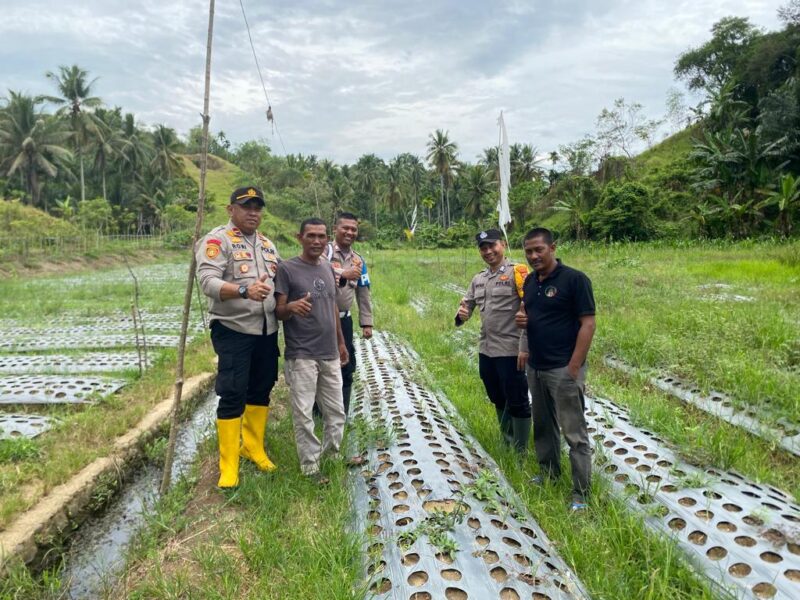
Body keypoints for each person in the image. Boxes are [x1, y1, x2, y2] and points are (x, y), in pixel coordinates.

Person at [196, 186, 281, 489]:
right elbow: (208, 282)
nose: (253, 212)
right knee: (232, 392)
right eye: (246, 207)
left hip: (267, 330)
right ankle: (228, 465)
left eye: (257, 207)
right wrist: (243, 290)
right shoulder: (218, 241)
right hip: (234, 329)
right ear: (231, 209)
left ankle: (253, 447)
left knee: (261, 388)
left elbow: (280, 283)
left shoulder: (269, 245)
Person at [515, 227, 596, 512]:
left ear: (552, 248)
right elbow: (527, 316)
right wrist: (524, 342)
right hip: (536, 367)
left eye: (539, 249)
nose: (534, 255)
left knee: (574, 433)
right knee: (544, 426)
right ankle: (549, 472)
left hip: (563, 368)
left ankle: (581, 494)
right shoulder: (530, 283)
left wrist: (574, 366)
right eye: (528, 251)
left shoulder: (575, 280)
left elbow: (588, 324)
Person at [274, 218, 349, 483]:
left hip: (328, 352)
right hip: (302, 354)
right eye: (311, 236)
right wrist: (291, 307)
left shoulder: (328, 268)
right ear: (300, 237)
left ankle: (333, 455)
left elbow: (332, 309)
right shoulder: (287, 269)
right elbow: (279, 311)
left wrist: (341, 342)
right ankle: (310, 466)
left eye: (322, 236)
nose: (317, 241)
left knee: (336, 410)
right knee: (304, 414)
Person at [455, 229, 531, 456]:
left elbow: (531, 307)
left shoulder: (518, 273)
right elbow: (466, 305)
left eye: (492, 246)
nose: (488, 251)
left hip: (511, 349)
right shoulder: (479, 279)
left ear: (502, 245)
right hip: (486, 350)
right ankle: (506, 439)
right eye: (483, 248)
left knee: (517, 398)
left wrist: (526, 345)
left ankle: (520, 451)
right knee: (496, 395)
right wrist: (462, 314)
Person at [324, 212, 373, 416]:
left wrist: (366, 323)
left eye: (354, 229)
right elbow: (311, 269)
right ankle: (320, 412)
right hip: (321, 319)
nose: (349, 232)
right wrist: (342, 273)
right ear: (335, 229)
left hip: (344, 320)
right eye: (345, 228)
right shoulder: (323, 252)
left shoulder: (358, 260)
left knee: (346, 364)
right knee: (321, 365)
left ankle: (341, 412)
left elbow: (363, 291)